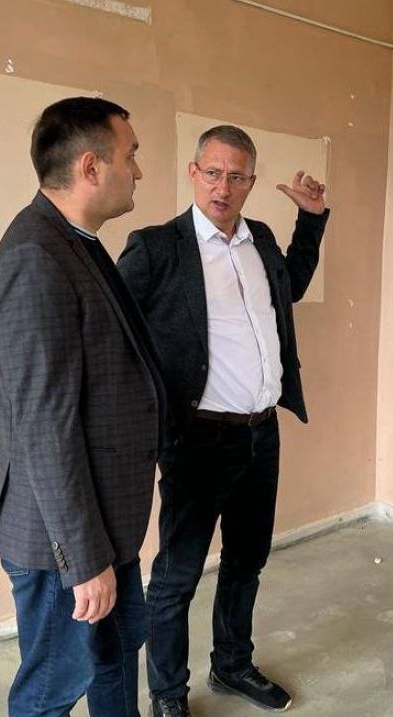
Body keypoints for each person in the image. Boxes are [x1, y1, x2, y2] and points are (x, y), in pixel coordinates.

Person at [117, 125, 329, 716]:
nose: (223, 187)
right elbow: (116, 335)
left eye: (236, 176)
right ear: (193, 173)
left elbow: (290, 287)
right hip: (197, 439)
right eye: (213, 172)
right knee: (177, 575)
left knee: (246, 561)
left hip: (261, 432)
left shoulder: (259, 240)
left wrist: (311, 220)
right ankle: (168, 694)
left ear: (251, 183)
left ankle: (232, 665)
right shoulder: (157, 248)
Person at [0, 96, 165, 717]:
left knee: (115, 656)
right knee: (52, 688)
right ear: (91, 166)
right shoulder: (35, 258)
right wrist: (84, 563)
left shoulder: (77, 243)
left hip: (101, 520)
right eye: (130, 155)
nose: (138, 170)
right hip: (61, 539)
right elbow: (44, 428)